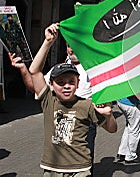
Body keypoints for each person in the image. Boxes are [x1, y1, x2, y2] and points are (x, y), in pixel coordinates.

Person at [8, 23, 117, 175]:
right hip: (53, 169)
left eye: (71, 82)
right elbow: (35, 73)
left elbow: (112, 129)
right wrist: (47, 42)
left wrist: (108, 114)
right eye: (60, 82)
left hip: (80, 168)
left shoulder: (88, 100)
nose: (66, 86)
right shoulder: (49, 100)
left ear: (77, 83)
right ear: (51, 85)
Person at [115, 94, 140, 164]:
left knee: (129, 127)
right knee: (135, 130)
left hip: (121, 101)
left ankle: (122, 152)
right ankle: (131, 156)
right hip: (131, 104)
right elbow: (134, 88)